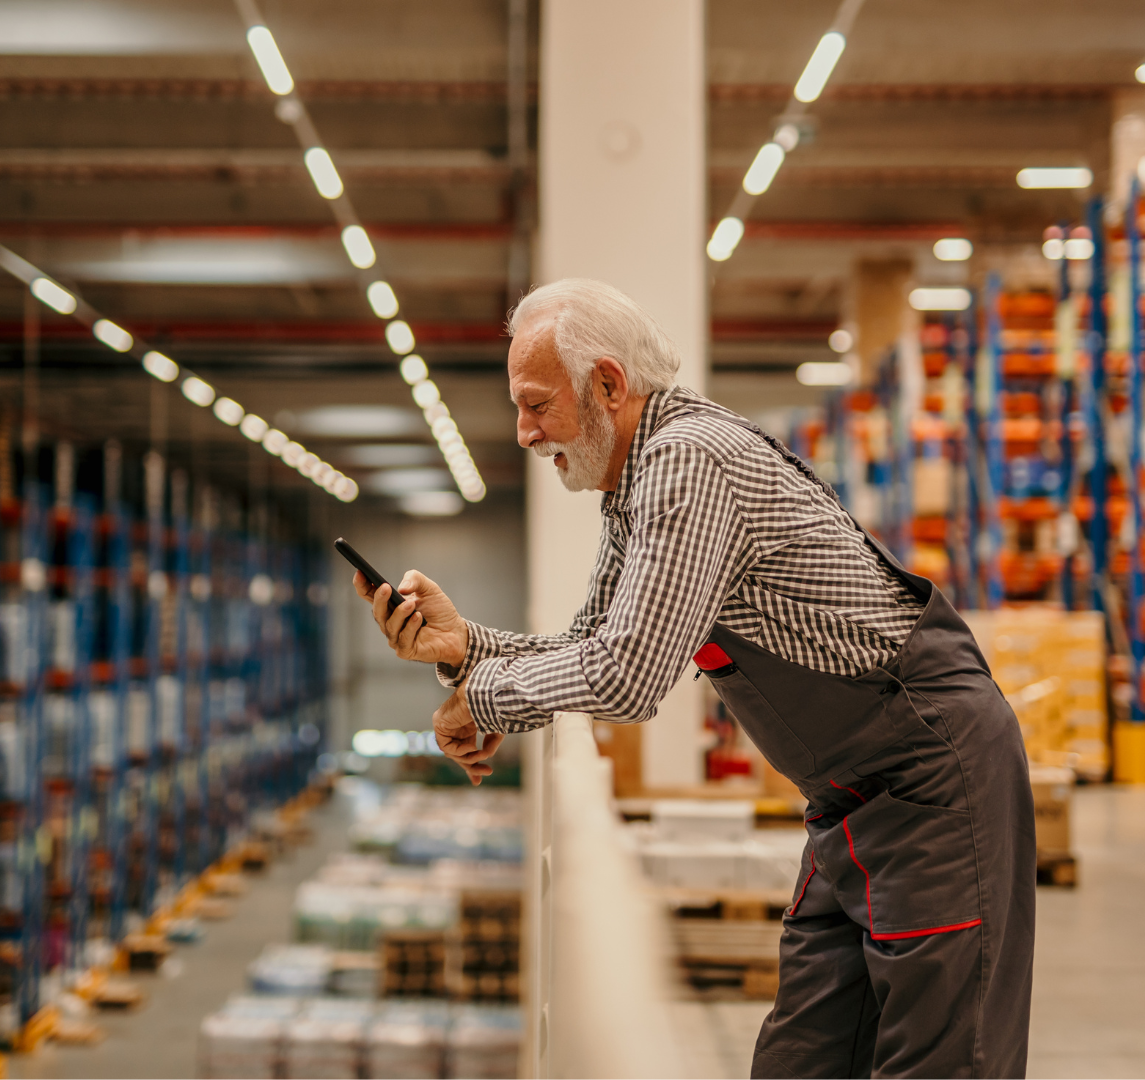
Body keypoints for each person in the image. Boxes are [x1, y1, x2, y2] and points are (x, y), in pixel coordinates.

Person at [354, 278, 1034, 1078]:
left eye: (536, 404)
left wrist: (485, 699)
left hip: (933, 786)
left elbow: (627, 676)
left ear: (607, 384)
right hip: (852, 804)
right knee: (800, 1060)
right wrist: (463, 648)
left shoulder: (687, 461)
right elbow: (591, 643)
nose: (525, 431)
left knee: (942, 1063)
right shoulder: (635, 479)